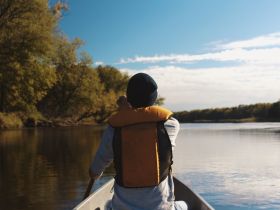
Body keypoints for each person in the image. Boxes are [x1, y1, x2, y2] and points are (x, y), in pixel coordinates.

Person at [89, 73, 187, 210]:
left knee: (107, 205)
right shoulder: (171, 125)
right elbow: (142, 120)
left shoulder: (114, 129)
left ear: (129, 98)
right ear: (154, 98)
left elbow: (94, 172)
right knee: (184, 205)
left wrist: (126, 111)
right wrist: (128, 110)